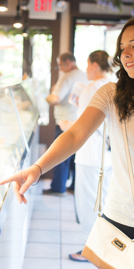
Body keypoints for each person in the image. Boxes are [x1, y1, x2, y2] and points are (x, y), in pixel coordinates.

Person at [0, 17, 134, 269]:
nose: (125, 53)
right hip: (121, 217)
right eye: (122, 46)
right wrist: (38, 168)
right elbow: (75, 134)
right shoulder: (111, 94)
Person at [68, 50, 116, 263]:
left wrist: (67, 126)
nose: (86, 69)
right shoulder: (115, 86)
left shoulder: (90, 88)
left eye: (88, 65)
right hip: (109, 155)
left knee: (89, 204)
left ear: (95, 65)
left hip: (89, 154)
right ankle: (100, 248)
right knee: (103, 201)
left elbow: (82, 124)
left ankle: (93, 250)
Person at [44, 53, 89, 195]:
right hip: (79, 120)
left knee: (61, 155)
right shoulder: (84, 75)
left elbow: (55, 98)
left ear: (67, 63)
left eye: (60, 65)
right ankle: (74, 186)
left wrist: (47, 97)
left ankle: (58, 187)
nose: (60, 69)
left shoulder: (67, 77)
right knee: (76, 155)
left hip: (65, 121)